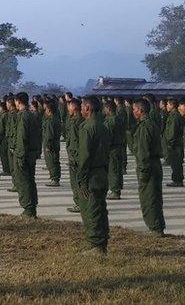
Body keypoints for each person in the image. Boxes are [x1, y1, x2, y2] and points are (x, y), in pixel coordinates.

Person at [75, 96, 112, 256]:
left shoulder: (87, 128)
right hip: (102, 172)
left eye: (82, 106)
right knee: (100, 208)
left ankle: (97, 245)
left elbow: (84, 157)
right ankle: (102, 241)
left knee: (92, 210)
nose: (80, 109)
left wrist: (81, 180)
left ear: (88, 108)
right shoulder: (104, 126)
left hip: (91, 174)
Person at [132, 99, 165, 235]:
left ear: (140, 110)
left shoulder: (144, 127)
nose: (133, 112)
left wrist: (143, 171)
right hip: (154, 164)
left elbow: (143, 151)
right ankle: (156, 226)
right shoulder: (150, 124)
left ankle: (155, 228)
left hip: (149, 165)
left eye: (134, 109)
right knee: (154, 197)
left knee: (149, 198)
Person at [12, 93, 40, 218]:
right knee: (30, 180)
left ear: (18, 101)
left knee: (23, 181)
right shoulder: (32, 115)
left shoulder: (23, 117)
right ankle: (31, 207)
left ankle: (28, 209)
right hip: (31, 153)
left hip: (23, 154)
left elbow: (22, 138)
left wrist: (20, 155)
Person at [103, 100, 126, 199]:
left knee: (113, 169)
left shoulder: (111, 120)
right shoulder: (118, 118)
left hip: (112, 148)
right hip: (119, 146)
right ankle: (117, 187)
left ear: (108, 109)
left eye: (105, 108)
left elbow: (108, 136)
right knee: (117, 168)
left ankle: (115, 191)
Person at [164, 99, 185, 187]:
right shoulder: (173, 115)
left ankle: (178, 180)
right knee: (175, 162)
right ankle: (177, 179)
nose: (166, 106)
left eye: (168, 105)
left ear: (172, 106)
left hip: (175, 144)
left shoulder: (175, 116)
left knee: (176, 163)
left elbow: (173, 131)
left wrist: (170, 143)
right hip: (175, 143)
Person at [42, 98, 61, 187]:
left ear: (49, 110)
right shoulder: (55, 119)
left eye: (45, 109)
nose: (44, 111)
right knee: (54, 161)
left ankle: (55, 179)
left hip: (51, 144)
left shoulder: (50, 121)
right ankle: (54, 178)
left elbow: (49, 135)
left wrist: (48, 146)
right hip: (55, 143)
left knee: (52, 162)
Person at [0, 100, 11, 176]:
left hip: (3, 138)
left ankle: (6, 170)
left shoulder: (3, 115)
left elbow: (1, 129)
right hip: (6, 137)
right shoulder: (8, 114)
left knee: (3, 155)